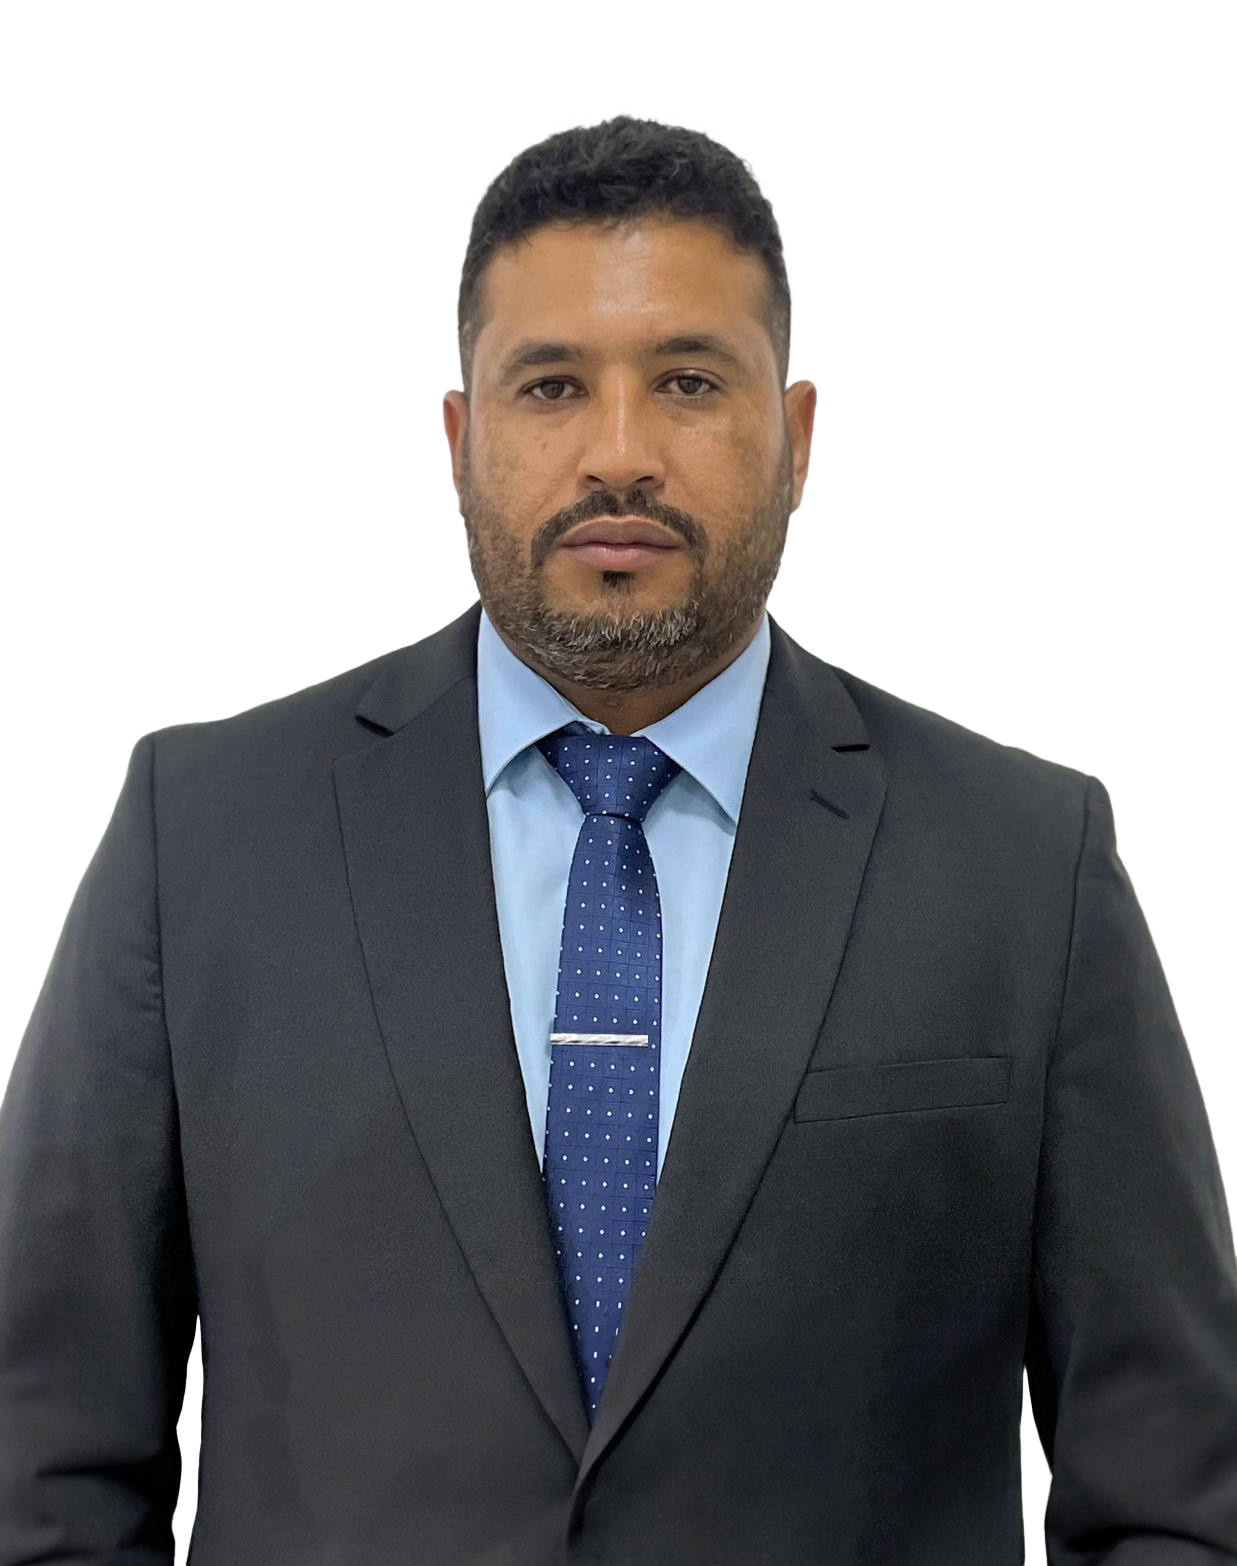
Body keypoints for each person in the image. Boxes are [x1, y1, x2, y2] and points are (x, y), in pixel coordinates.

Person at [1, 111, 1234, 1566]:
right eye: (552, 386)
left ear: (796, 437)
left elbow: (1176, 1493)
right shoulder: (201, 835)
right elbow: (41, 1462)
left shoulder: (1025, 866)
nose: (621, 453)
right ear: (461, 440)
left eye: (690, 381)